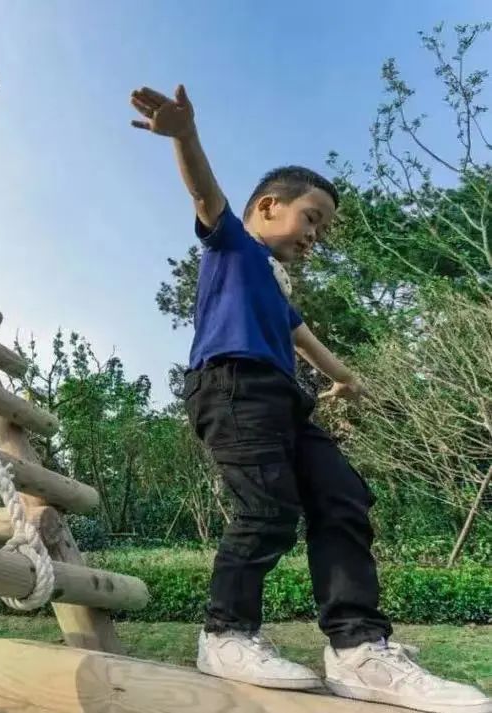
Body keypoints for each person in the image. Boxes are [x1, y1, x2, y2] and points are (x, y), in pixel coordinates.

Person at [130, 83, 492, 713]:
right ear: (269, 207)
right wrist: (185, 136)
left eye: (324, 226)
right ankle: (226, 633)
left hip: (283, 398)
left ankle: (358, 648)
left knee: (343, 496)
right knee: (267, 508)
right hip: (231, 386)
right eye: (312, 218)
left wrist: (348, 379)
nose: (317, 234)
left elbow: (305, 339)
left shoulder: (276, 285)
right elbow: (205, 194)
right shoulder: (234, 244)